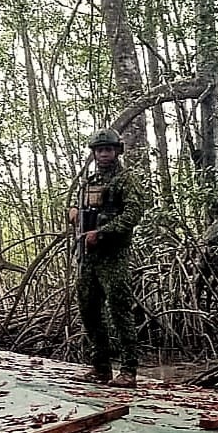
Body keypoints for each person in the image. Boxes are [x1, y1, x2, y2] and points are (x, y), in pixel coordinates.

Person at [69, 128, 144, 389]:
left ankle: (129, 370)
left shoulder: (126, 180)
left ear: (116, 152)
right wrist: (74, 213)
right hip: (89, 257)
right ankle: (100, 367)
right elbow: (85, 210)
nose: (103, 154)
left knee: (119, 310)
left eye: (108, 150)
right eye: (100, 150)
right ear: (94, 153)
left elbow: (132, 215)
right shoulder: (88, 183)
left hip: (114, 256)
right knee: (88, 308)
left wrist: (101, 233)